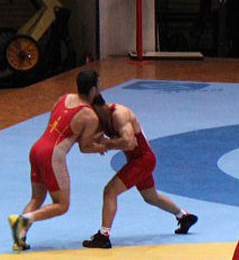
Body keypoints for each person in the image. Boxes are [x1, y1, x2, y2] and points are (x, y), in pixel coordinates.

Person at [82, 96, 198, 248]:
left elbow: (129, 143)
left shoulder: (119, 114)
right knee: (151, 197)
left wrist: (106, 144)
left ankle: (103, 236)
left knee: (110, 191)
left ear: (98, 108)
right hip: (138, 160)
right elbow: (96, 137)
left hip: (142, 160)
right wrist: (99, 140)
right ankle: (184, 216)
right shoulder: (102, 118)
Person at [10, 68, 107, 251]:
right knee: (62, 205)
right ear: (93, 89)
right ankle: (23, 220)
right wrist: (103, 146)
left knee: (36, 198)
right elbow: (84, 147)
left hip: (37, 149)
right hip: (52, 155)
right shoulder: (89, 116)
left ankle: (20, 238)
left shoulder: (64, 98)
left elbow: (64, 128)